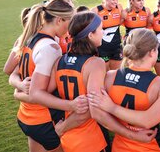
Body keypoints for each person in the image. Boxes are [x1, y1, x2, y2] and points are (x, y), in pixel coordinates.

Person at [90, 29, 160, 151]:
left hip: (119, 146)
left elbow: (101, 116)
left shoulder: (110, 77)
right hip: (150, 147)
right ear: (152, 52)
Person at [28, 11, 108, 152]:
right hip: (88, 139)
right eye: (101, 29)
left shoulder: (60, 61)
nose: (103, 32)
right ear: (90, 35)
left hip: (67, 137)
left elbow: (41, 94)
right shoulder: (95, 63)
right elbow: (92, 108)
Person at [8, 0, 75, 152]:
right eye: (69, 22)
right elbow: (37, 93)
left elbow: (11, 73)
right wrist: (71, 105)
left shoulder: (30, 37)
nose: (70, 28)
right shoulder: (50, 47)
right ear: (59, 20)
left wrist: (17, 89)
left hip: (26, 116)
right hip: (43, 119)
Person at [91, 0, 123, 70]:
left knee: (116, 75)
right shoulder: (96, 11)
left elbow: (121, 21)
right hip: (102, 48)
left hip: (116, 47)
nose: (116, 2)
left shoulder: (119, 8)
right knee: (104, 75)